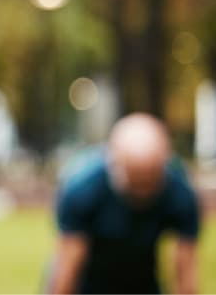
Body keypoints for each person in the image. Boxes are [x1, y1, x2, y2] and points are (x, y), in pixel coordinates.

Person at [49, 113, 201, 294]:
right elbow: (67, 267)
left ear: (164, 163)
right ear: (114, 164)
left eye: (150, 180)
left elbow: (185, 271)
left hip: (144, 283)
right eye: (135, 181)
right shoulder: (82, 190)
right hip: (88, 284)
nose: (143, 192)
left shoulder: (180, 194)